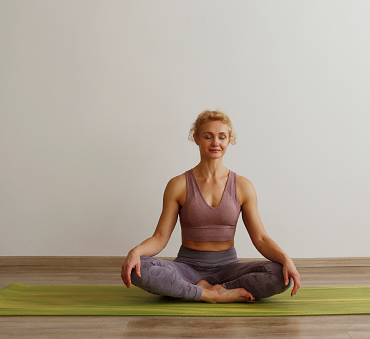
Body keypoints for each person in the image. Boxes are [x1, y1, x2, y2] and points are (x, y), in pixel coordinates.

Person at [121, 110, 300, 303]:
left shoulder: (243, 186)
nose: (216, 143)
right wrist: (136, 252)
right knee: (139, 269)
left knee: (281, 274)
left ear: (229, 140)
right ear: (196, 138)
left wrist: (285, 259)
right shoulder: (178, 185)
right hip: (187, 268)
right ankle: (207, 293)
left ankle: (217, 290)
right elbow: (160, 238)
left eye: (222, 137)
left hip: (229, 268)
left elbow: (261, 239)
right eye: (208, 136)